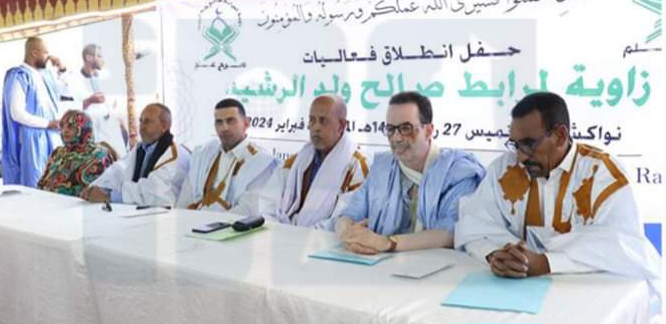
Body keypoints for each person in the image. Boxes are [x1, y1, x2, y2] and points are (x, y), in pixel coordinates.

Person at [455, 93, 660, 291]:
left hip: (588, 293)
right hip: (515, 292)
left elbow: (621, 247)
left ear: (560, 136)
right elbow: (473, 225)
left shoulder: (602, 174)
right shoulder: (504, 169)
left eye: (528, 144)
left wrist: (546, 263)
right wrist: (496, 255)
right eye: (515, 145)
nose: (520, 157)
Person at [336, 91, 485, 254]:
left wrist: (388, 243)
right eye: (390, 129)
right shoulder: (383, 167)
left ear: (428, 131)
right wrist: (347, 233)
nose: (396, 138)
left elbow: (453, 231)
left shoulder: (457, 171)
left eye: (406, 128)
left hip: (438, 265)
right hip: (378, 263)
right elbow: (350, 214)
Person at [261, 95, 369, 230]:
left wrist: (301, 235)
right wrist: (278, 229)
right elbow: (268, 202)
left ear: (341, 125)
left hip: (324, 240)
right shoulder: (296, 162)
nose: (316, 127)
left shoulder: (356, 167)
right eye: (312, 120)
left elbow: (345, 218)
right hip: (284, 235)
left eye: (323, 121)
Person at [176, 98, 278, 216]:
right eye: (219, 122)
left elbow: (248, 210)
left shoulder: (261, 162)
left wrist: (211, 223)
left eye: (231, 121)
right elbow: (186, 195)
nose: (224, 128)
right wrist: (182, 219)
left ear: (246, 123)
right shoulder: (204, 153)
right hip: (194, 221)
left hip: (229, 225)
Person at [81, 103, 190, 207]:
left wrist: (110, 196)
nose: (142, 126)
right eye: (141, 121)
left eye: (147, 121)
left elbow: (157, 193)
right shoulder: (140, 148)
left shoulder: (175, 154)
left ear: (164, 125)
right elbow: (118, 171)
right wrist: (97, 187)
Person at [1, 36, 64, 187]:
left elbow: (67, 93)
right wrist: (48, 123)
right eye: (45, 52)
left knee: (54, 184)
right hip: (32, 141)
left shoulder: (44, 75)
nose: (49, 56)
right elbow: (16, 112)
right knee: (35, 185)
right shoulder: (19, 75)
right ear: (34, 53)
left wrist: (61, 69)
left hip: (50, 137)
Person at [37, 110, 113, 197]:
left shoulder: (98, 154)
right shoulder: (58, 152)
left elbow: (94, 193)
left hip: (76, 204)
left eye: (71, 126)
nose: (65, 130)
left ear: (84, 129)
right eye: (62, 126)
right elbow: (42, 182)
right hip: (45, 201)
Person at [71, 44, 127, 157]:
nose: (102, 60)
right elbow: (72, 108)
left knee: (117, 156)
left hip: (110, 128)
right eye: (99, 56)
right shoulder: (74, 80)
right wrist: (89, 101)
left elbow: (114, 103)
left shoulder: (105, 78)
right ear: (88, 58)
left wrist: (118, 118)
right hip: (91, 131)